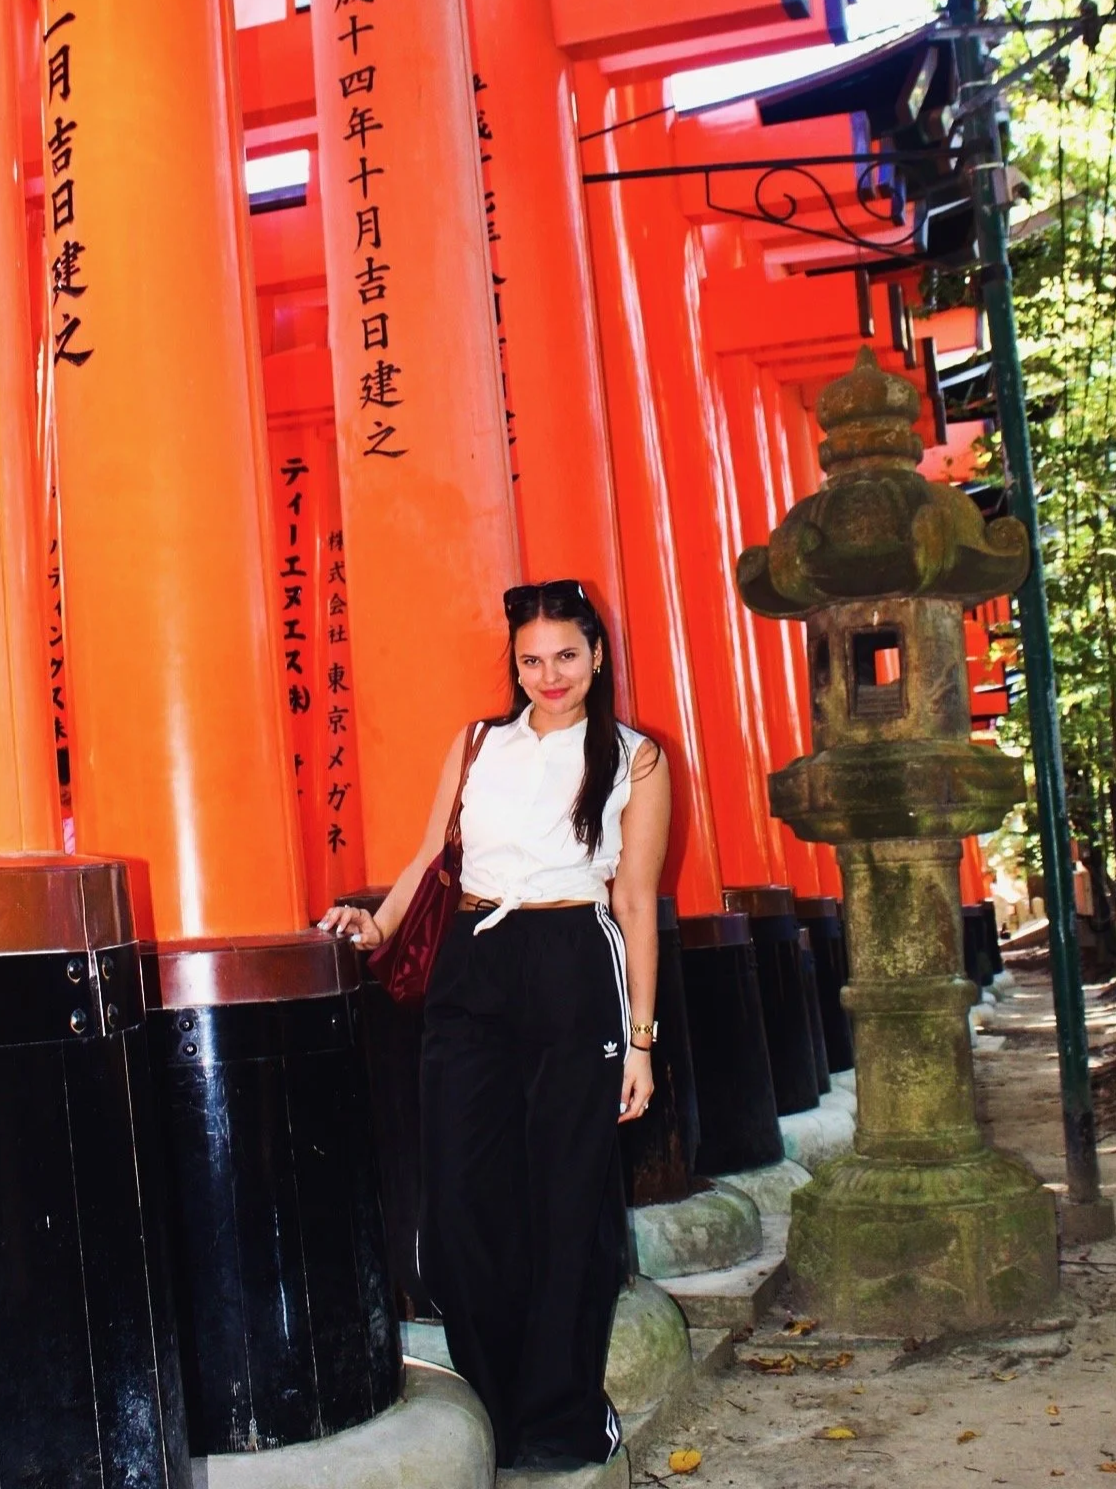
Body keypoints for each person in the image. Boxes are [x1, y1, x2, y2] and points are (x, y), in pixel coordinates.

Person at [321, 579, 670, 1471]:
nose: (548, 675)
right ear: (513, 665)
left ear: (597, 656)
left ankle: (559, 1421)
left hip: (574, 966)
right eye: (531, 659)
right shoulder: (479, 743)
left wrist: (641, 1040)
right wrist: (381, 924)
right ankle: (498, 1399)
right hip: (473, 963)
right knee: (459, 1208)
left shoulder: (636, 758)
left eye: (566, 655)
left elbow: (633, 901)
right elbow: (433, 853)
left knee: (564, 1202)